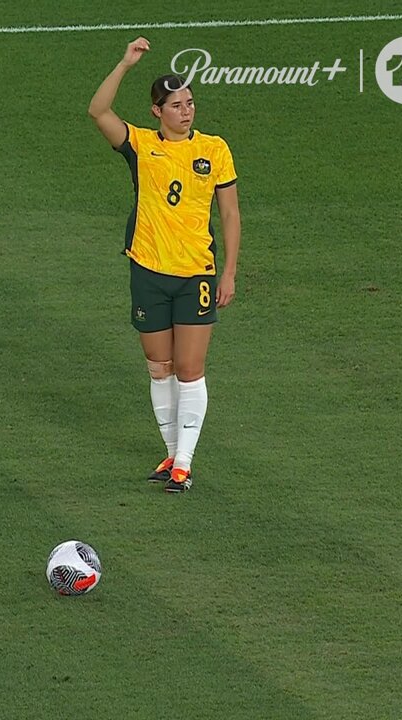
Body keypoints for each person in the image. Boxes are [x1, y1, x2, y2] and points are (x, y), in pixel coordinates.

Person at [87, 37, 241, 493]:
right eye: (175, 105)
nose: (186, 111)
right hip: (148, 271)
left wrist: (228, 272)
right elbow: (98, 111)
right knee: (160, 367)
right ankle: (172, 453)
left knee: (190, 369)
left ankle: (184, 463)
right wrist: (125, 64)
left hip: (195, 273)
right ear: (157, 112)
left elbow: (229, 213)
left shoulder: (214, 149)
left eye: (190, 103)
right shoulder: (140, 146)